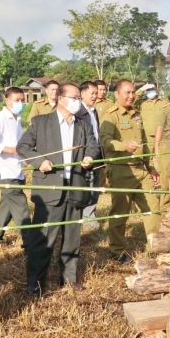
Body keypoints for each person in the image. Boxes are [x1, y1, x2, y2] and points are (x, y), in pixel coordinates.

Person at [17, 83, 99, 294]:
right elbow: (23, 147)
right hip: (49, 190)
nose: (77, 102)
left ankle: (69, 278)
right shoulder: (41, 122)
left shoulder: (83, 124)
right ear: (61, 99)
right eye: (74, 97)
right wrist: (39, 161)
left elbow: (93, 145)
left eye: (79, 98)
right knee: (43, 240)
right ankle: (35, 283)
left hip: (75, 189)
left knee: (72, 239)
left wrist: (90, 156)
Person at [99, 79, 161, 264]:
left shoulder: (136, 114)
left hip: (141, 170)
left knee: (153, 210)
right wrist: (123, 145)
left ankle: (154, 248)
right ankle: (117, 251)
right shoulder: (111, 115)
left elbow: (144, 144)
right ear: (116, 94)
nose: (131, 95)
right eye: (127, 92)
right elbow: (105, 140)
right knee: (120, 213)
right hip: (121, 171)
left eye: (133, 92)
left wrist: (150, 166)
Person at [0, 86, 31, 246]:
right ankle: (30, 242)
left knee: (6, 206)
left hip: (16, 170)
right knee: (21, 206)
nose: (21, 103)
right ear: (7, 100)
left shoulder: (17, 120)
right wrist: (11, 150)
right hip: (5, 171)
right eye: (17, 100)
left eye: (22, 100)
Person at [76, 81, 102, 230]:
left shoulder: (94, 111)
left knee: (94, 187)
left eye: (96, 93)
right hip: (85, 156)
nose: (95, 96)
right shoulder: (79, 112)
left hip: (96, 155)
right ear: (82, 94)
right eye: (92, 93)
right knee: (86, 187)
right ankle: (86, 218)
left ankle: (89, 216)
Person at [134, 83, 166, 148]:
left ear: (156, 89)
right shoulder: (142, 103)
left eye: (152, 89)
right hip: (148, 137)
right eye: (148, 90)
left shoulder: (164, 102)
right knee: (149, 157)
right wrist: (141, 89)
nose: (150, 91)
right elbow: (132, 101)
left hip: (163, 135)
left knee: (162, 156)